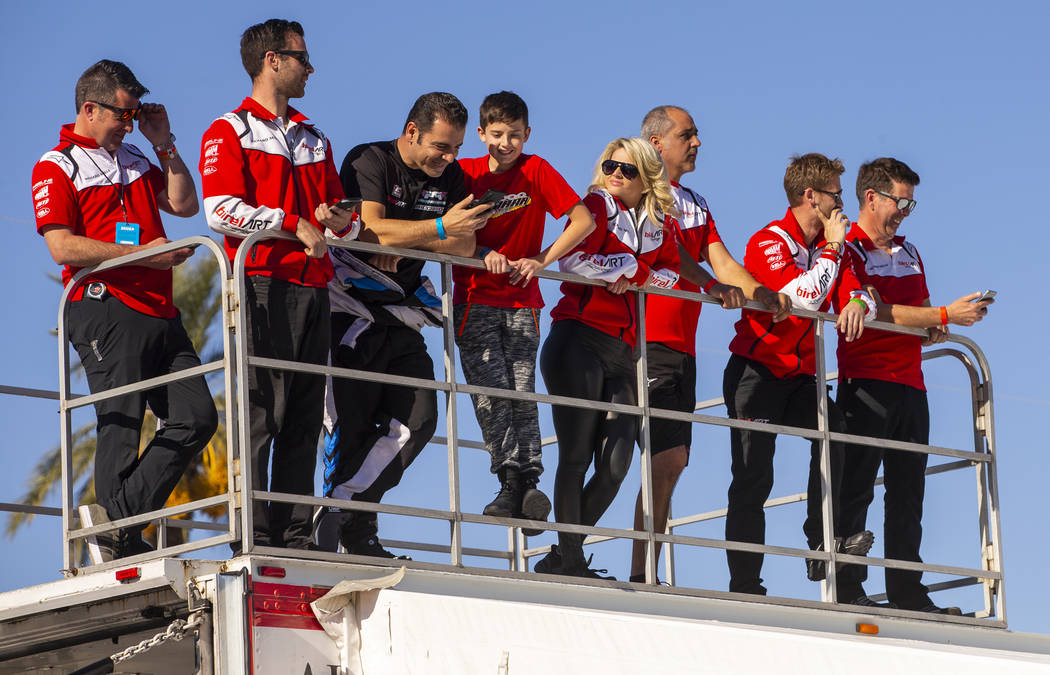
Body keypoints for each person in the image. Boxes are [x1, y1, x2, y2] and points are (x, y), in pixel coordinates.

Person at [32, 60, 218, 562]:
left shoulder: (137, 153)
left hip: (159, 309)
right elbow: (63, 248)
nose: (130, 123)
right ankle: (118, 540)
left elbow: (183, 205)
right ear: (89, 109)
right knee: (121, 422)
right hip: (104, 306)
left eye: (136, 114)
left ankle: (115, 522)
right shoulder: (56, 164)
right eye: (124, 113)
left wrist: (164, 144)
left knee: (197, 417)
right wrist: (144, 255)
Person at [200, 19, 356, 551]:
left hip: (315, 285)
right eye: (302, 58)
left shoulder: (316, 136)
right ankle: (251, 533)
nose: (310, 68)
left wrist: (337, 219)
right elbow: (219, 211)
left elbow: (343, 221)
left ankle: (292, 531)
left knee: (306, 410)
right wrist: (293, 223)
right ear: (272, 60)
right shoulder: (229, 130)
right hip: (264, 283)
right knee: (264, 408)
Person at [318, 92, 491, 558]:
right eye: (441, 147)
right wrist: (434, 231)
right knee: (350, 425)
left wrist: (411, 242)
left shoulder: (451, 175)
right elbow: (369, 230)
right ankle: (351, 535)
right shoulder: (369, 159)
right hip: (346, 311)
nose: (450, 158)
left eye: (455, 148)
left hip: (404, 313)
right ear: (411, 132)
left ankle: (340, 508)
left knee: (419, 419)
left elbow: (466, 247)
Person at [629, 106, 792, 583]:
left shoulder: (697, 202)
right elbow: (671, 252)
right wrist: (710, 284)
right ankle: (580, 555)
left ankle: (645, 573)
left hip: (683, 346)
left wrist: (763, 295)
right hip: (641, 336)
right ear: (657, 143)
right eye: (688, 134)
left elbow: (722, 261)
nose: (697, 142)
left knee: (672, 463)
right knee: (644, 458)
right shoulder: (635, 184)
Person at [833, 157, 991, 613]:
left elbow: (914, 312)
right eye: (899, 201)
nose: (904, 210)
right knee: (857, 489)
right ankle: (849, 590)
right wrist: (941, 316)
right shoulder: (848, 249)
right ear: (871, 197)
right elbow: (874, 314)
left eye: (911, 203)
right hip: (864, 381)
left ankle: (907, 591)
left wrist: (934, 324)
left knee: (908, 493)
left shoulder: (910, 251)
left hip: (911, 386)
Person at [722, 153, 877, 596]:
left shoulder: (836, 248)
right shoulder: (768, 241)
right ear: (811, 196)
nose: (841, 203)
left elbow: (856, 291)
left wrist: (858, 303)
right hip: (756, 372)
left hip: (802, 376)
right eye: (835, 194)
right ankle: (746, 584)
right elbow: (804, 299)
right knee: (754, 478)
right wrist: (832, 249)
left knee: (838, 437)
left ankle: (820, 542)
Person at [536, 138, 681, 579]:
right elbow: (572, 262)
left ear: (646, 177)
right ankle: (571, 562)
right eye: (610, 165)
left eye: (627, 169)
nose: (616, 174)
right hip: (577, 339)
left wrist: (635, 274)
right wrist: (627, 268)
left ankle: (563, 556)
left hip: (625, 351)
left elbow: (671, 273)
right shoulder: (596, 206)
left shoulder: (659, 220)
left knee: (616, 465)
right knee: (576, 457)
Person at [454, 91, 595, 532]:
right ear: (481, 134)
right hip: (475, 297)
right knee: (490, 393)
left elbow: (583, 220)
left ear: (527, 134)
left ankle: (529, 482)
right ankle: (509, 478)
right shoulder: (464, 174)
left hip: (522, 300)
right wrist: (482, 252)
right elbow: (445, 231)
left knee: (521, 391)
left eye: (515, 135)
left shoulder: (536, 170)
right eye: (497, 134)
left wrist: (542, 260)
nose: (506, 143)